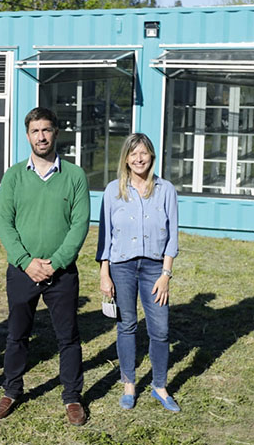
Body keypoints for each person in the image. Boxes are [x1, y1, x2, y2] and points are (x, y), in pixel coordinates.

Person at [0, 107, 90, 426]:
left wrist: (56, 263)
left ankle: (73, 397)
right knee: (17, 335)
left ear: (56, 133)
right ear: (27, 135)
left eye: (46, 130)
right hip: (23, 271)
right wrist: (26, 262)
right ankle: (11, 390)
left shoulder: (74, 176)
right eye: (35, 131)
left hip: (61, 274)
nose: (41, 136)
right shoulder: (14, 176)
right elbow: (5, 224)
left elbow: (80, 225)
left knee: (68, 337)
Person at [95, 132, 180, 412]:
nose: (139, 158)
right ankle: (129, 384)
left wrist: (166, 275)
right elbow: (105, 235)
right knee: (127, 325)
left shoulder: (165, 189)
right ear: (126, 159)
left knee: (160, 329)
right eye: (133, 154)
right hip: (121, 266)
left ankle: (159, 386)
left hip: (155, 267)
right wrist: (104, 273)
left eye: (143, 153)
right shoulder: (113, 190)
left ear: (151, 156)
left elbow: (173, 237)